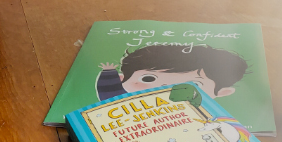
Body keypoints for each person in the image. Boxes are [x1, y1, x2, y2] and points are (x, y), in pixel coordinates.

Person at [96, 43, 248, 101]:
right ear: (122, 79)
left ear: (221, 92)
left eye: (193, 84)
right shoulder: (122, 102)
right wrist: (108, 74)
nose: (167, 88)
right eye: (148, 79)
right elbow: (108, 93)